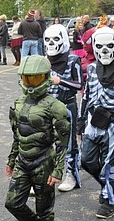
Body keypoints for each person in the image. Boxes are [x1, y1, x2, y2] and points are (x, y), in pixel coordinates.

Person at [78, 26, 114, 219]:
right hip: (93, 121)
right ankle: (107, 187)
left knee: (110, 164)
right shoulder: (93, 68)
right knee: (85, 160)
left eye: (109, 46)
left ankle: (112, 202)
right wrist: (80, 122)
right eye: (100, 46)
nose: (104, 50)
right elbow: (86, 96)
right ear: (94, 46)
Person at [5, 55, 71, 221]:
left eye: (36, 78)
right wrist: (12, 159)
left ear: (46, 77)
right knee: (13, 203)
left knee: (45, 212)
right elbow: (17, 135)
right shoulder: (18, 103)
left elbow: (62, 143)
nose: (31, 84)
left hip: (43, 163)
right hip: (22, 160)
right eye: (27, 79)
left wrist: (58, 170)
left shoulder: (56, 107)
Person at [45, 24, 84, 192]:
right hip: (46, 106)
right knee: (44, 142)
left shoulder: (73, 60)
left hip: (66, 106)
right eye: (48, 40)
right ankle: (45, 175)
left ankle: (71, 174)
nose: (51, 43)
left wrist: (60, 81)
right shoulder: (43, 59)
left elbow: (79, 84)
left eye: (55, 39)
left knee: (68, 143)